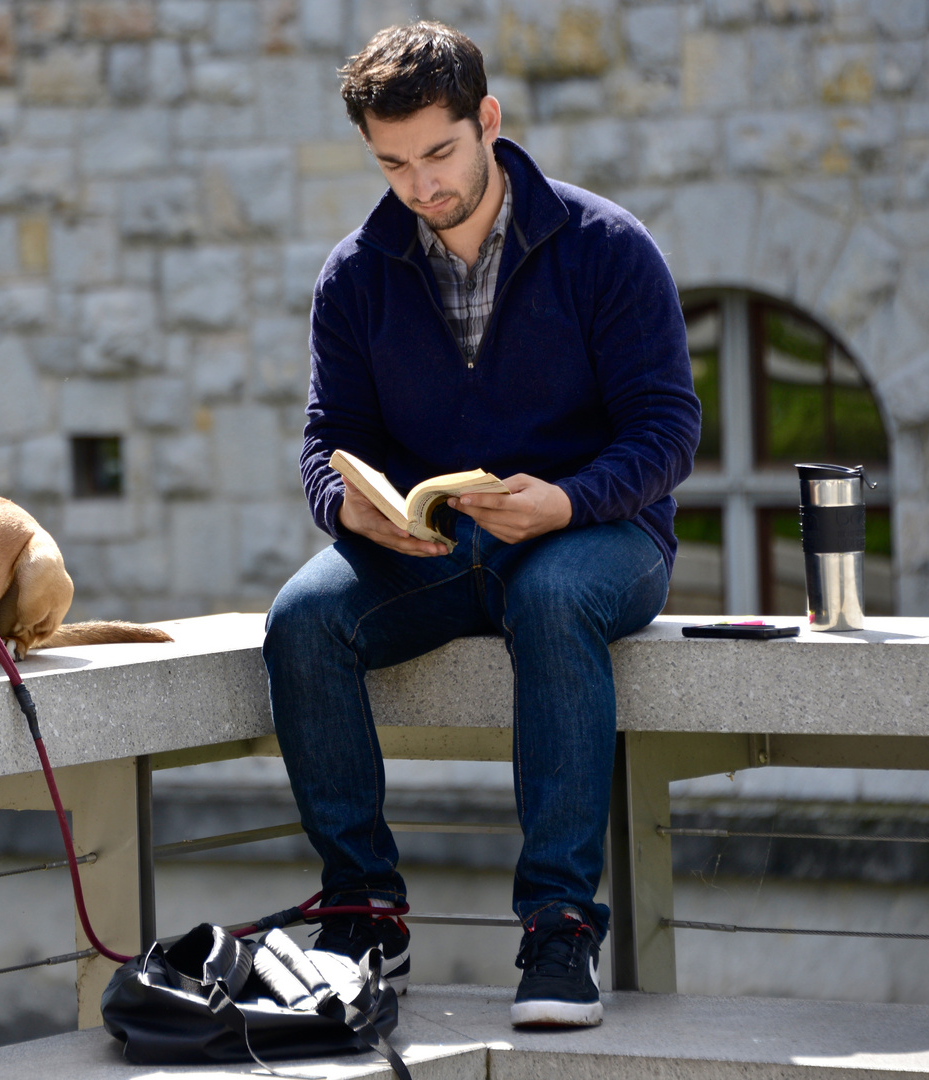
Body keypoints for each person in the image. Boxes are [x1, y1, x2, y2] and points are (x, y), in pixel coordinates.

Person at [262, 21, 700, 1027]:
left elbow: (669, 428)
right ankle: (366, 912)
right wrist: (353, 512)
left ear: (487, 121)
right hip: (437, 547)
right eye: (392, 163)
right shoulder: (356, 274)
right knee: (302, 620)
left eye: (438, 153)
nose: (419, 185)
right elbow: (327, 438)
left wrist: (569, 500)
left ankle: (559, 930)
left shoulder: (605, 249)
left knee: (549, 596)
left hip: (605, 535)